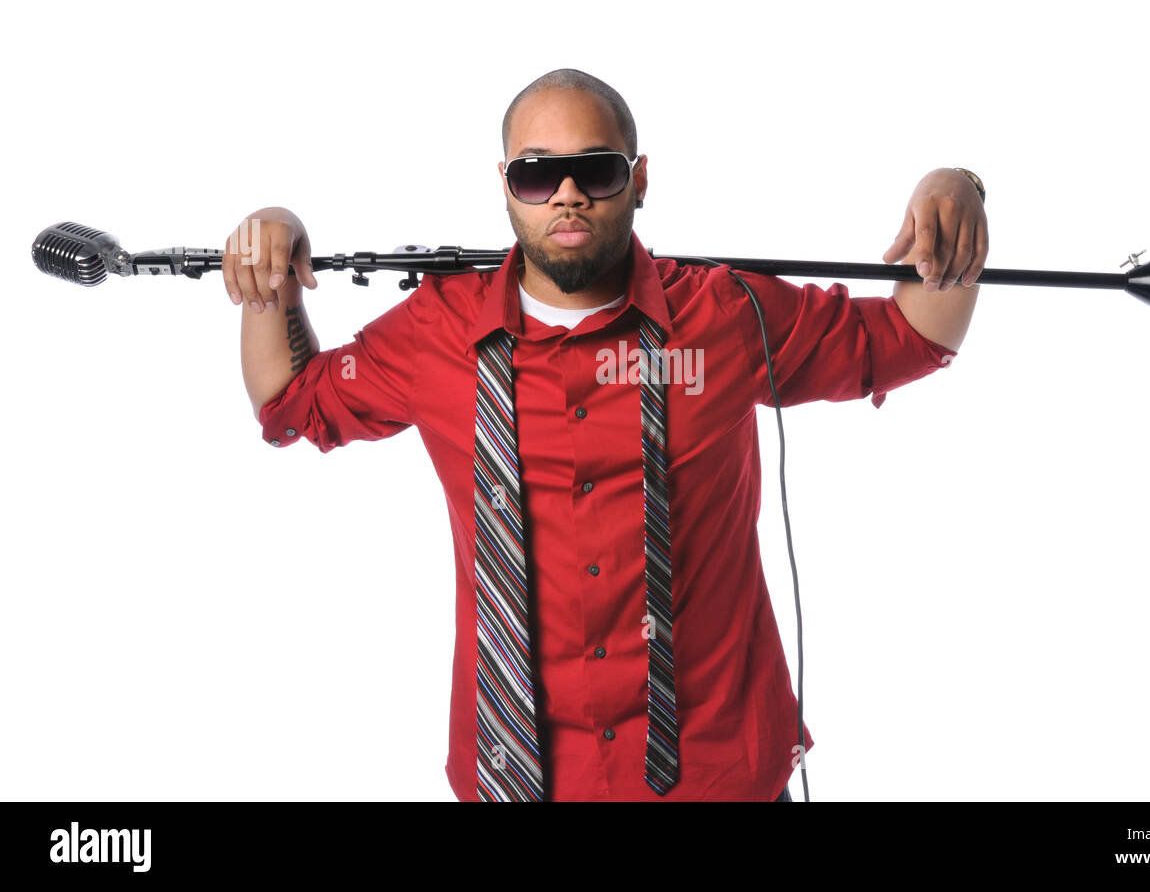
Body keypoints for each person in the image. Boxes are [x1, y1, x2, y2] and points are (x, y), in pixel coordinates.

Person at [223, 68, 987, 802]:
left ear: (640, 179)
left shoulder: (723, 317)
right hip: (515, 779)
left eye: (596, 169)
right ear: (505, 187)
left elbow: (910, 338)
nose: (567, 194)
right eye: (536, 174)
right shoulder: (438, 329)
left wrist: (956, 195)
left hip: (722, 779)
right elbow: (291, 402)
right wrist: (271, 263)